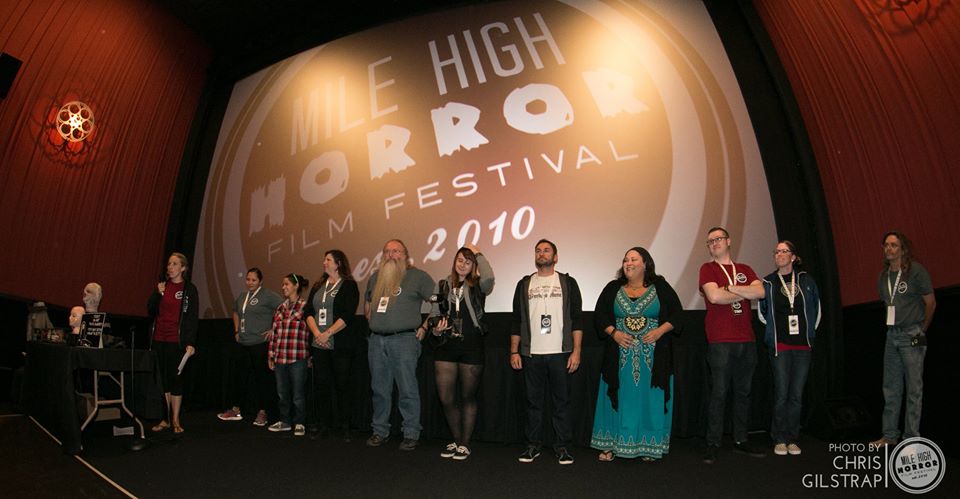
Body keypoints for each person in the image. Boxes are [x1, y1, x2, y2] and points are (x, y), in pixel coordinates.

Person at [591, 247, 682, 461]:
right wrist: (614, 333)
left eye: (633, 259)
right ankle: (611, 444)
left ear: (645, 264)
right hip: (619, 358)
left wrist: (659, 331)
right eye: (625, 260)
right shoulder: (613, 288)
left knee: (651, 400)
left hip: (653, 360)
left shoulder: (660, 287)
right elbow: (599, 315)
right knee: (618, 398)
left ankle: (648, 446)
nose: (628, 263)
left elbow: (678, 314)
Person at [510, 239, 582, 465]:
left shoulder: (567, 282)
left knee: (562, 403)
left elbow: (577, 319)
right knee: (533, 403)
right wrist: (514, 351)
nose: (542, 254)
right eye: (538, 251)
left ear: (555, 257)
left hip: (561, 353)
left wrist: (576, 351)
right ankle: (533, 445)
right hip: (532, 354)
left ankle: (563, 446)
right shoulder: (524, 284)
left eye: (546, 250)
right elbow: (516, 320)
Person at [699, 227, 766, 463]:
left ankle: (740, 439)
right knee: (719, 393)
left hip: (747, 340)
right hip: (720, 341)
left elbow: (761, 292)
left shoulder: (745, 269)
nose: (714, 243)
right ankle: (713, 443)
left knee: (743, 392)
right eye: (710, 241)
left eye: (718, 239)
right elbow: (714, 297)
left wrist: (729, 288)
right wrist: (745, 293)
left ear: (728, 241)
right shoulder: (708, 269)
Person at [364, 239, 435, 451]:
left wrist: (425, 326)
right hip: (376, 341)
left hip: (404, 340)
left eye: (396, 251)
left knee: (407, 389)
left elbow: (438, 303)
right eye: (387, 251)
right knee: (379, 390)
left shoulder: (418, 276)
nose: (391, 255)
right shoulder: (375, 277)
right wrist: (373, 320)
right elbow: (368, 302)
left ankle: (411, 433)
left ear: (405, 255)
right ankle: (380, 431)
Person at [429, 245, 494, 460]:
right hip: (446, 346)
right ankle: (456, 440)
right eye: (460, 260)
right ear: (454, 261)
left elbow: (490, 277)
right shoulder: (443, 285)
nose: (463, 264)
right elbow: (434, 313)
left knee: (468, 397)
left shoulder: (479, 285)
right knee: (446, 398)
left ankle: (465, 443)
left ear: (473, 265)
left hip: (472, 346)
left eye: (468, 261)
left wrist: (478, 253)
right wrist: (436, 329)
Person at [870, 231, 935, 448]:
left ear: (903, 249)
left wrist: (921, 331)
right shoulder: (883, 276)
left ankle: (911, 439)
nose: (889, 249)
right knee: (890, 388)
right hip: (892, 335)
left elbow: (931, 303)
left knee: (914, 389)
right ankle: (889, 436)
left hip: (913, 334)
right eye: (886, 245)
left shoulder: (916, 271)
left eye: (894, 245)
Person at [758, 241, 821, 456]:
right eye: (776, 252)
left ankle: (793, 437)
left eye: (784, 251)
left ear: (793, 257)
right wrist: (774, 333)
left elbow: (816, 310)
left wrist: (808, 334)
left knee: (796, 394)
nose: (779, 254)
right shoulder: (769, 282)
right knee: (782, 392)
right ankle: (779, 438)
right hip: (781, 345)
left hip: (802, 345)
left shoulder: (806, 280)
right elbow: (763, 312)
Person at [304, 250, 360, 441]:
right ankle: (324, 425)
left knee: (342, 385)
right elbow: (308, 312)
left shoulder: (349, 285)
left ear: (338, 264)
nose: (324, 262)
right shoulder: (318, 285)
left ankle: (345, 427)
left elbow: (347, 315)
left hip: (340, 345)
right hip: (319, 344)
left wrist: (327, 333)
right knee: (322, 386)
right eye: (324, 259)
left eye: (328, 260)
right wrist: (317, 334)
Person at [217, 268, 283, 427]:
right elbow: (235, 312)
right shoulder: (242, 296)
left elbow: (284, 308)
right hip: (243, 344)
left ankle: (263, 412)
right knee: (239, 378)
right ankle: (236, 410)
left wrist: (274, 329)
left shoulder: (267, 295)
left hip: (260, 344)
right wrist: (236, 330)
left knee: (262, 380)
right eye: (248, 279)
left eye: (254, 280)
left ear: (260, 281)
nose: (250, 282)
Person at [147, 252, 199, 434]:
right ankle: (165, 418)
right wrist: (158, 293)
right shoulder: (163, 286)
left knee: (175, 379)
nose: (170, 267)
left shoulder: (189, 289)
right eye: (169, 264)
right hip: (159, 339)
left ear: (183, 268)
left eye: (174, 264)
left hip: (177, 341)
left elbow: (192, 317)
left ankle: (176, 419)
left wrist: (190, 342)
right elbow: (150, 310)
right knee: (163, 381)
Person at [268, 273, 310, 436]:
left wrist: (310, 355)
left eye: (286, 284)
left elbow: (310, 332)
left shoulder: (305, 306)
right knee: (282, 393)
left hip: (298, 356)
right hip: (280, 357)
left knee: (298, 394)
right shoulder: (280, 307)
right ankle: (285, 421)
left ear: (296, 286)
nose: (283, 287)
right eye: (283, 284)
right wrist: (271, 355)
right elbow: (274, 333)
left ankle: (299, 422)